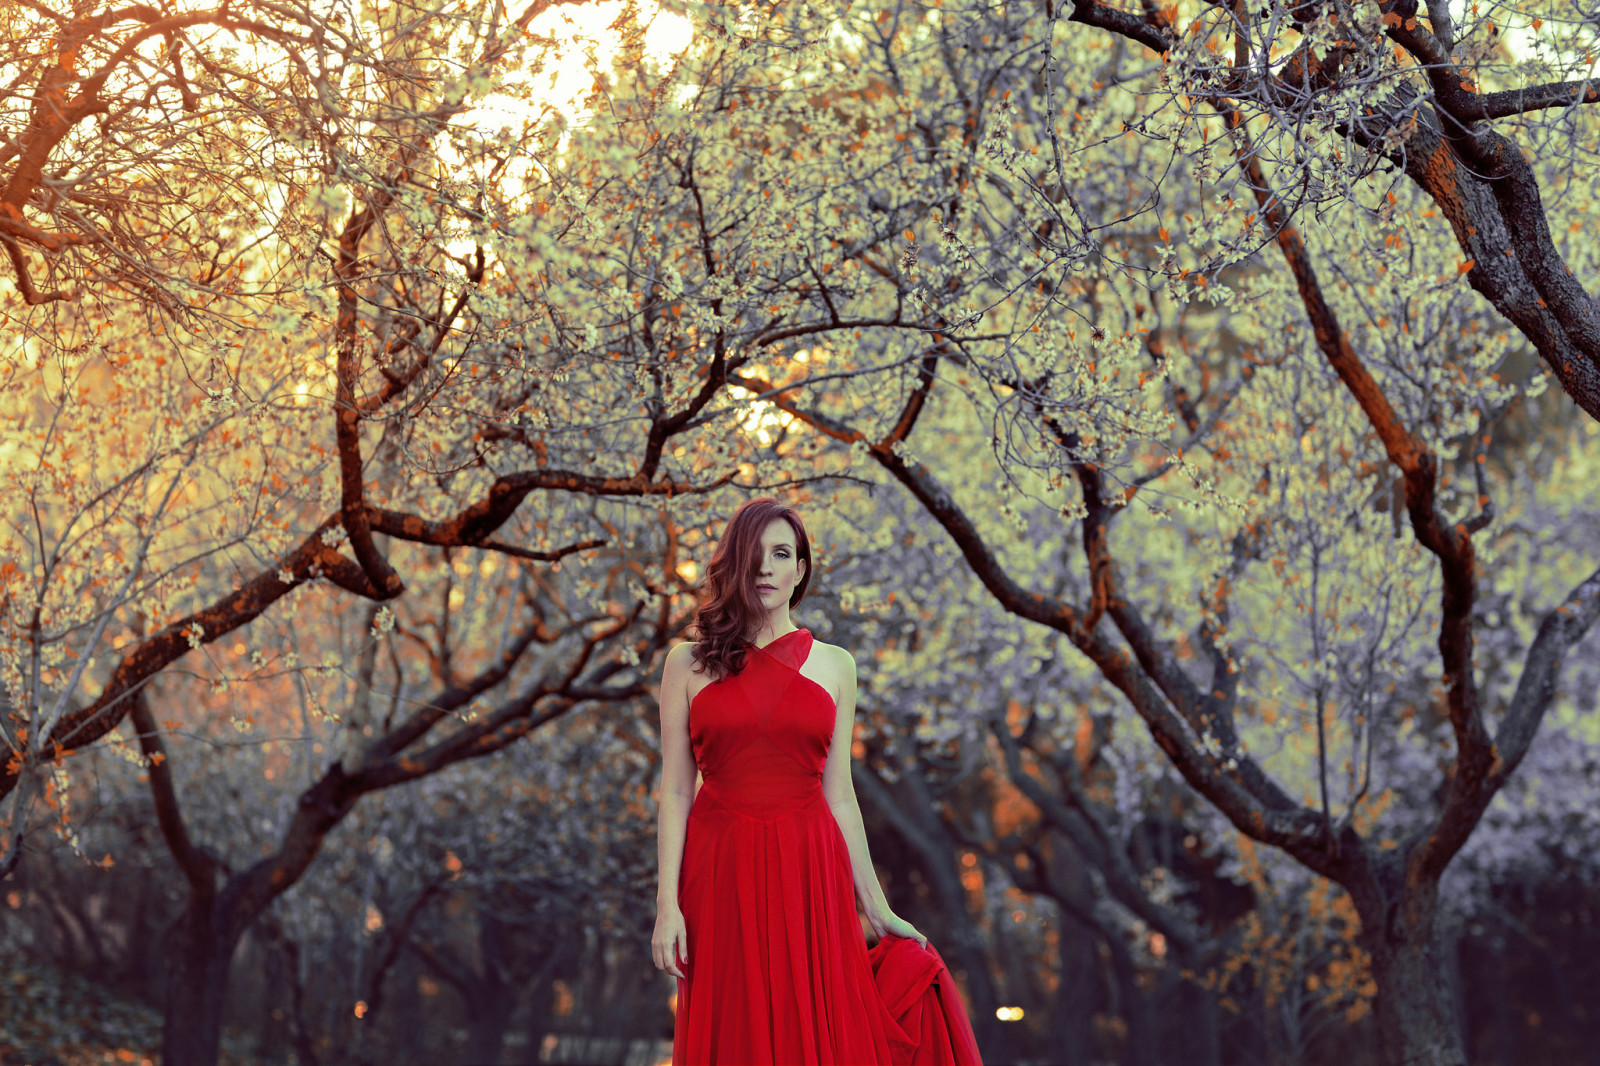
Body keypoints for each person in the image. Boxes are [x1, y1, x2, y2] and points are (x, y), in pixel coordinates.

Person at [652, 497, 983, 1065]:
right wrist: (665, 907)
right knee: (735, 1030)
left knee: (819, 1029)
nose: (766, 569)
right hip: (718, 868)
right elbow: (677, 791)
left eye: (782, 554)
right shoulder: (687, 662)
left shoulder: (836, 665)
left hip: (810, 867)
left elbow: (840, 793)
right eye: (753, 556)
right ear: (732, 566)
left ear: (801, 569)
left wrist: (876, 908)